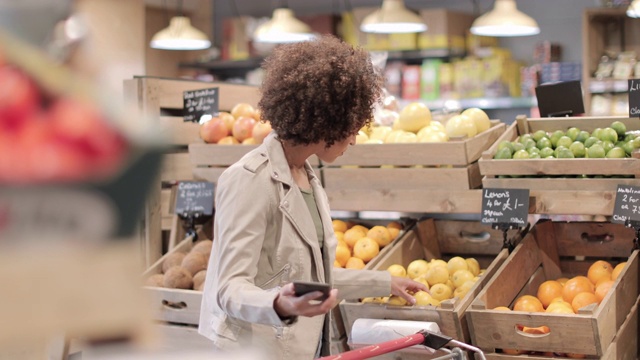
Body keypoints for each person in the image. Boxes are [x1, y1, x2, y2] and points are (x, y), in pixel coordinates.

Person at [198, 35, 427, 359]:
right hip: (255, 349)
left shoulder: (307, 177)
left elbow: (312, 278)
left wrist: (383, 282)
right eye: (351, 125)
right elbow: (229, 288)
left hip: (300, 347)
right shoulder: (249, 180)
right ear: (326, 120)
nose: (355, 138)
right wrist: (279, 303)